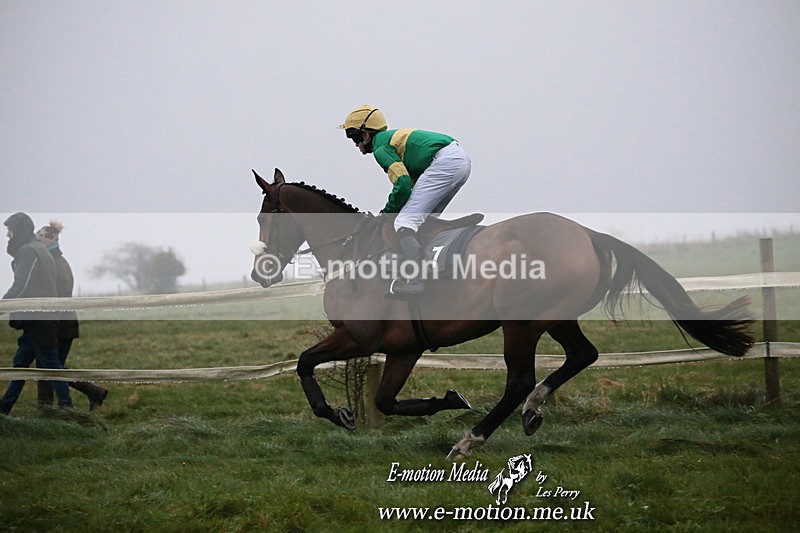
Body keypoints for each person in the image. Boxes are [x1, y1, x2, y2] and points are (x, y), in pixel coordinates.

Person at [338, 105, 471, 297]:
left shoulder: (381, 148)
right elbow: (410, 187)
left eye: (354, 137)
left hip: (446, 163)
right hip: (458, 161)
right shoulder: (391, 141)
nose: (355, 144)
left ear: (366, 135)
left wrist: (387, 212)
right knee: (422, 221)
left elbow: (402, 183)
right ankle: (433, 269)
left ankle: (415, 280)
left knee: (404, 221)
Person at [0, 213, 72, 414]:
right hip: (38, 318)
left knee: (50, 365)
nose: (7, 235)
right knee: (21, 363)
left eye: (10, 230)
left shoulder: (28, 251)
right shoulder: (39, 249)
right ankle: (5, 407)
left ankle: (68, 408)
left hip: (39, 318)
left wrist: (3, 305)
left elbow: (21, 284)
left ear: (19, 230)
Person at [35, 221, 108, 410]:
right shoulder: (52, 261)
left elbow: (61, 295)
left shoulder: (56, 263)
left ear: (51, 239)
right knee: (48, 367)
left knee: (48, 368)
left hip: (60, 324)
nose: (36, 240)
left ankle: (51, 410)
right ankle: (88, 394)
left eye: (39, 237)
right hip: (60, 323)